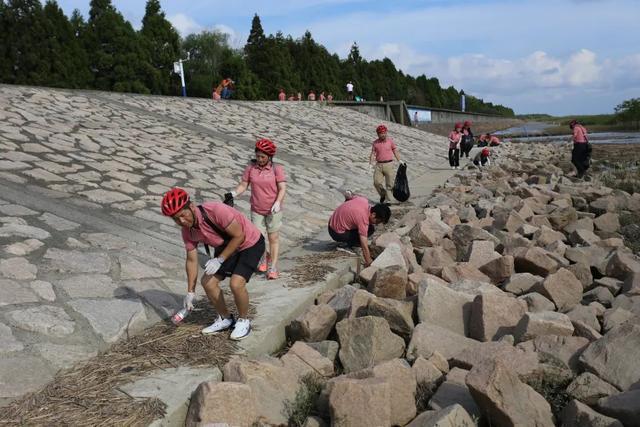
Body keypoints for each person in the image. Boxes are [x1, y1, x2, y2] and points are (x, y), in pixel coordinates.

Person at [160, 188, 265, 340]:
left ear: (192, 206)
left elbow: (239, 236)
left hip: (250, 242)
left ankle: (243, 321)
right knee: (208, 283)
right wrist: (190, 292)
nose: (182, 221)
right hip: (227, 247)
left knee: (236, 284)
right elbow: (191, 260)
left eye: (183, 215)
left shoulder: (216, 210)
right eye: (176, 219)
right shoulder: (187, 231)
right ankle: (225, 319)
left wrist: (220, 259)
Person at [225, 139, 286, 280]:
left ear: (270, 157)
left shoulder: (276, 169)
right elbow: (244, 185)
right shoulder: (251, 168)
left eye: (263, 157)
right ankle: (265, 258)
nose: (259, 159)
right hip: (257, 209)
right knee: (259, 237)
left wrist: (278, 202)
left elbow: (282, 188)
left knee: (273, 237)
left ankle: (273, 267)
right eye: (258, 156)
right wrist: (234, 193)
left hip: (273, 210)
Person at [328, 195, 391, 266]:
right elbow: (364, 243)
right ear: (373, 214)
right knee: (369, 230)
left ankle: (350, 241)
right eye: (377, 221)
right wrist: (369, 261)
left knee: (369, 228)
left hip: (331, 222)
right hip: (336, 233)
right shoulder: (363, 219)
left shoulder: (363, 200)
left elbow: (349, 196)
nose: (376, 224)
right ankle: (349, 245)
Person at [369, 124, 404, 204]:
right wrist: (370, 164)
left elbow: (395, 151)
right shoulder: (375, 143)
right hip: (379, 165)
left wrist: (399, 160)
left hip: (389, 164)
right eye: (381, 133)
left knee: (389, 184)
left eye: (384, 132)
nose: (383, 134)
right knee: (376, 182)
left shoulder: (390, 141)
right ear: (378, 134)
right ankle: (383, 195)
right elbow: (373, 153)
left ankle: (389, 200)